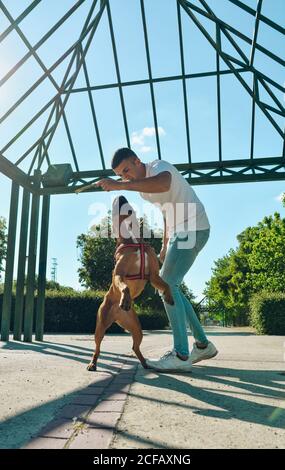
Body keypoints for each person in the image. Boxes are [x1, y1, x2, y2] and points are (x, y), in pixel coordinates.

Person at [94, 148, 218, 371]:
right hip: (181, 231)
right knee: (173, 286)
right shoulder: (143, 192)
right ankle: (202, 345)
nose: (125, 177)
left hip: (193, 228)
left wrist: (120, 186)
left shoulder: (158, 166)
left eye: (127, 170)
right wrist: (164, 243)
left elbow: (163, 184)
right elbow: (166, 211)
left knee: (167, 284)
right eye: (121, 175)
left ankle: (181, 355)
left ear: (137, 161)